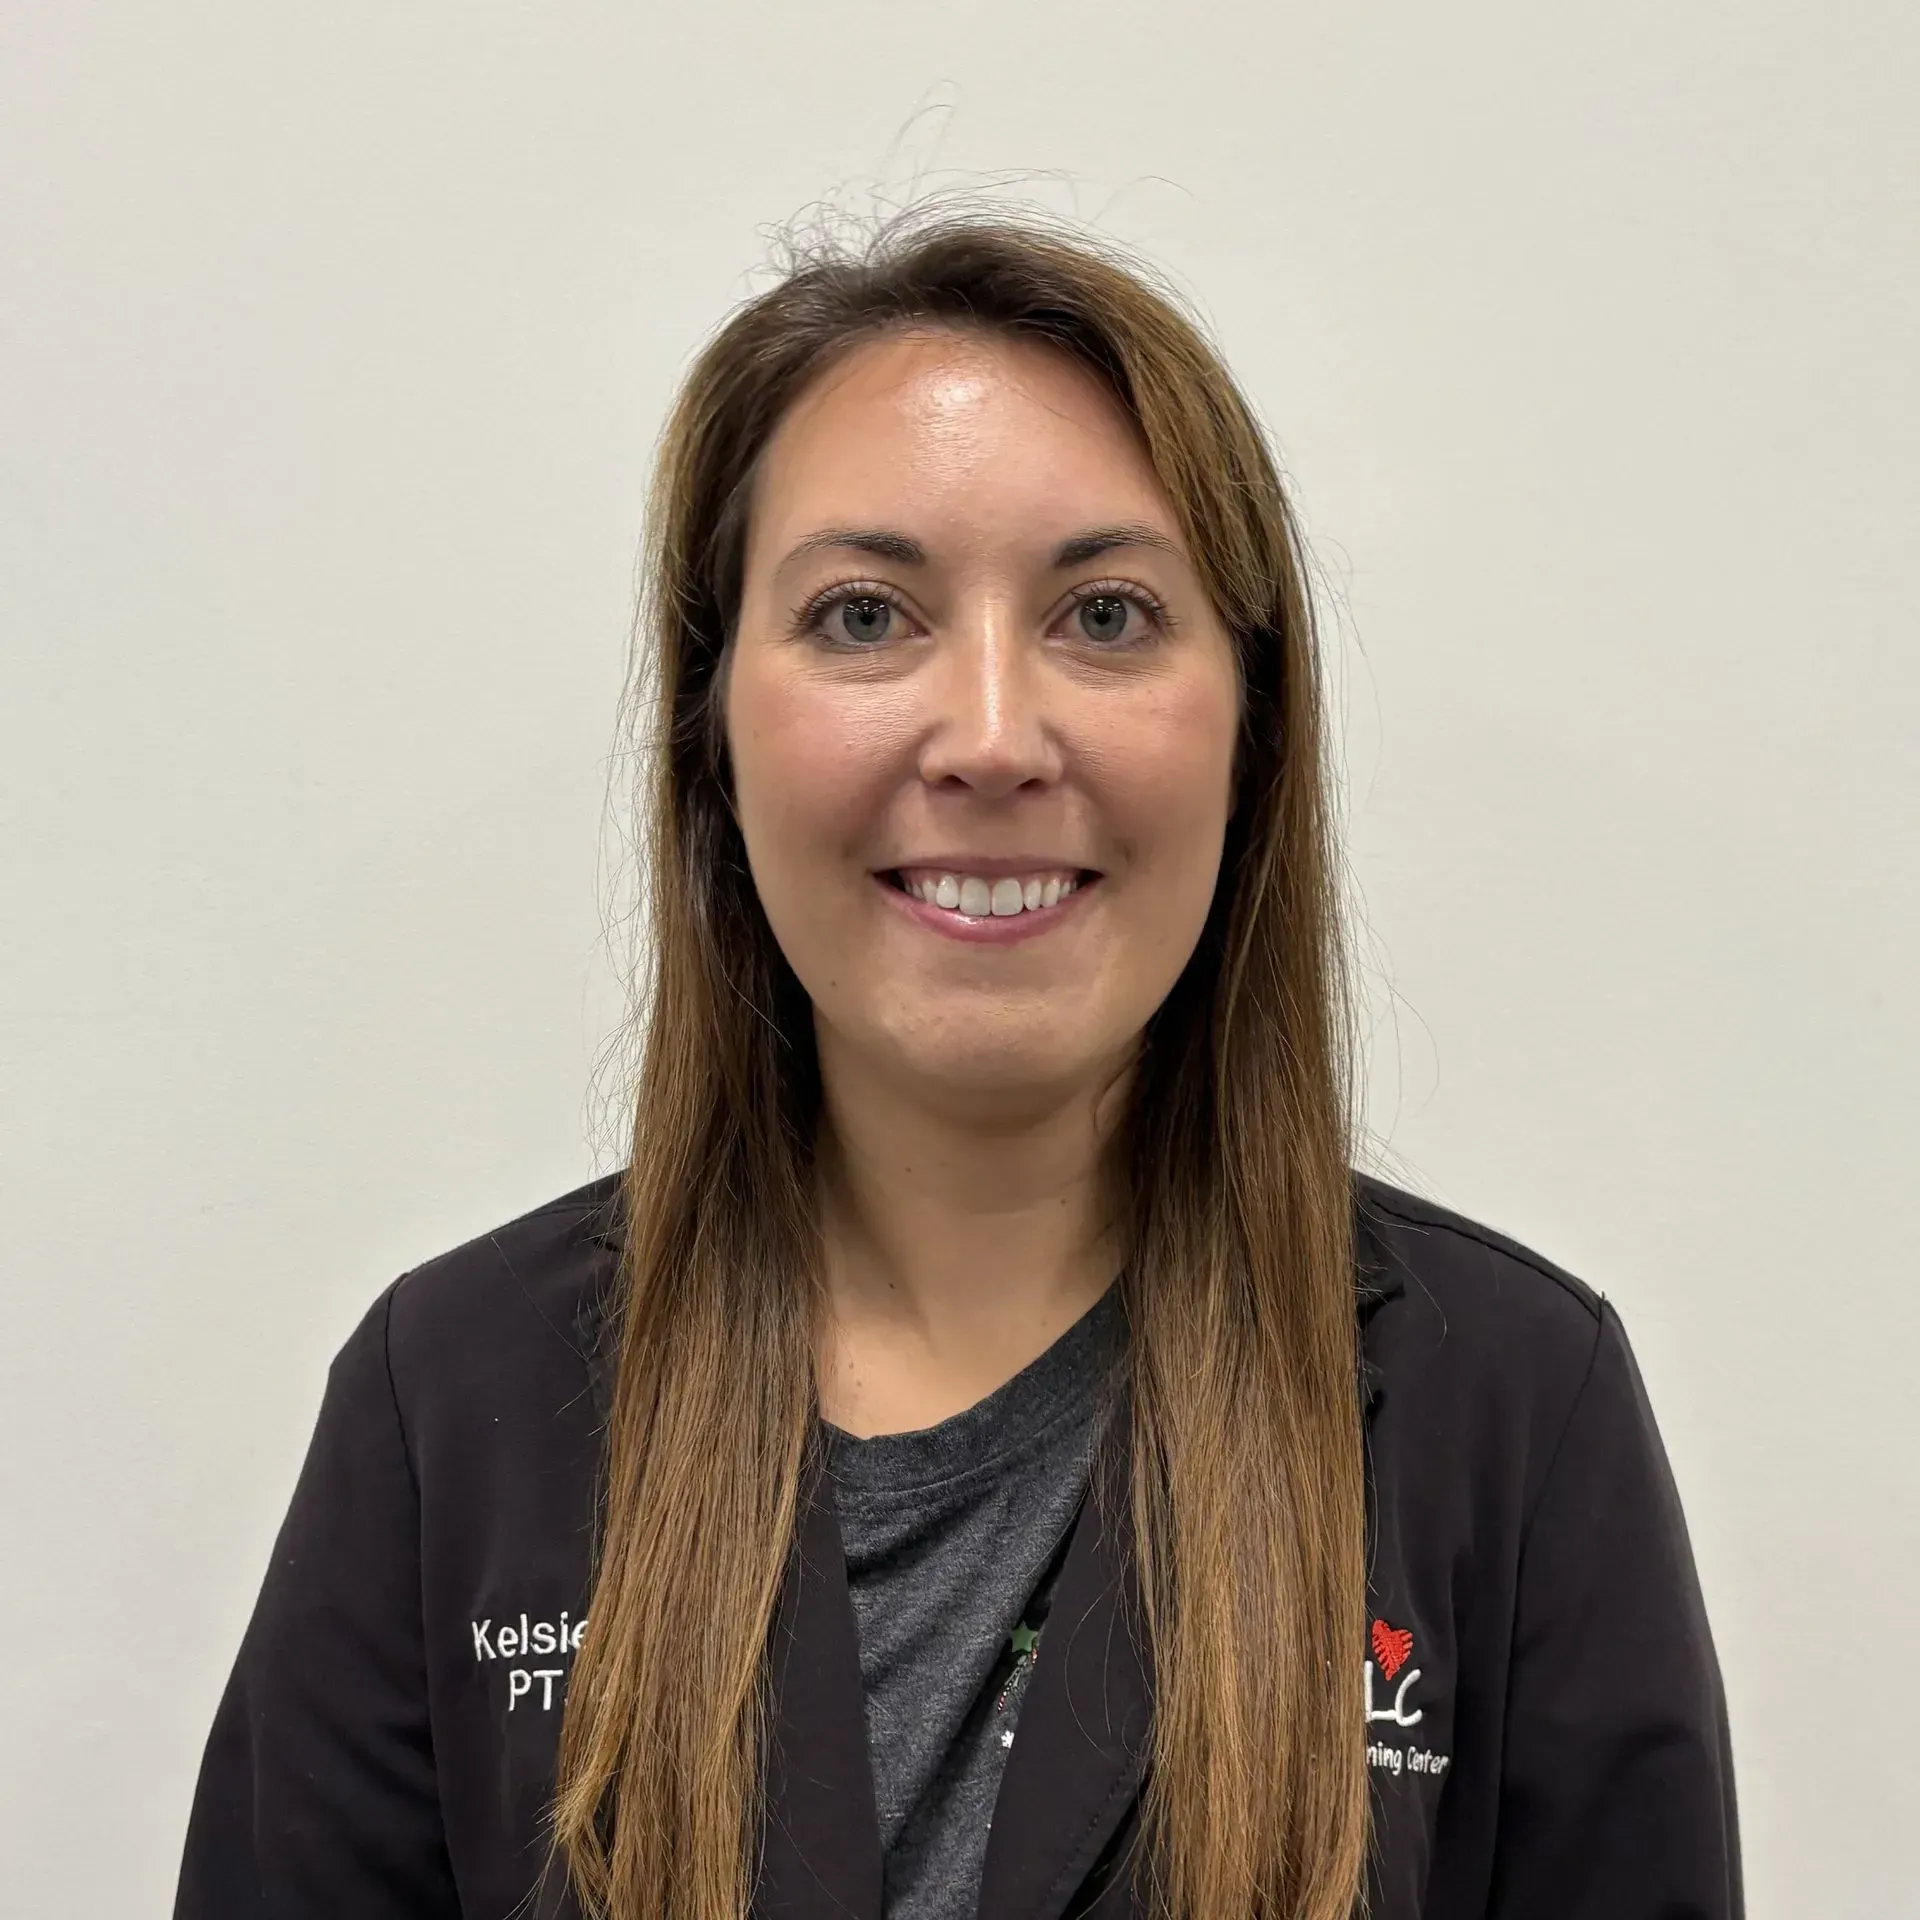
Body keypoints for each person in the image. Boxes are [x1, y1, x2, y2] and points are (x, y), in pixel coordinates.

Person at [173, 205, 1741, 1920]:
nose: (992, 736)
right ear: (716, 732)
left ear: (1252, 731)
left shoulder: (1515, 1418)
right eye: (863, 616)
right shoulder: (445, 1408)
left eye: (1110, 613)